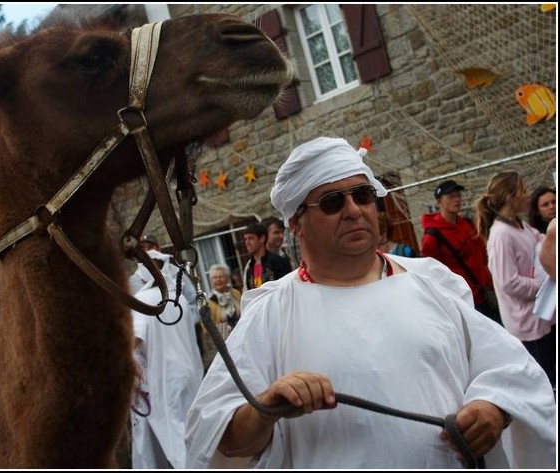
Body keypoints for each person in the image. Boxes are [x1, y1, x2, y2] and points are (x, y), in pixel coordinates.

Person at [185, 137, 555, 469]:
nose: (353, 210)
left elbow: (509, 371)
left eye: (363, 196)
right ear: (296, 223)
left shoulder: (431, 282)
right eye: (332, 202)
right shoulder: (271, 312)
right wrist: (265, 407)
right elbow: (221, 438)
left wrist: (491, 409)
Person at [475, 171, 555, 385]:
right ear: (511, 197)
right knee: (547, 382)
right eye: (523, 191)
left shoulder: (520, 224)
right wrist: (543, 285)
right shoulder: (500, 235)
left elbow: (540, 240)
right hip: (528, 324)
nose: (528, 195)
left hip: (543, 315)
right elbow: (507, 282)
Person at [130, 250, 203, 469]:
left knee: (170, 442)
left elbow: (134, 339)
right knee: (191, 436)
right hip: (188, 376)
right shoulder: (178, 298)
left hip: (160, 381)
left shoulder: (143, 301)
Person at [421, 179, 500, 324]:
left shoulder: (467, 224)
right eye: (451, 196)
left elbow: (482, 256)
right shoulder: (432, 237)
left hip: (487, 292)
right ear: (439, 201)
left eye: (458, 195)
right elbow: (433, 274)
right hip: (466, 301)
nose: (457, 200)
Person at [200, 264, 242, 371]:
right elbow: (206, 331)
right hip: (222, 347)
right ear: (211, 281)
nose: (218, 280)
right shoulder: (207, 302)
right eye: (214, 278)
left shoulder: (236, 294)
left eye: (221, 277)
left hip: (241, 342)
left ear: (227, 278)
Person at [242, 222, 292, 290]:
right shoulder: (249, 269)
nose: (247, 242)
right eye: (245, 239)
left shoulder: (278, 261)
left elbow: (288, 288)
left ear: (262, 238)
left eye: (251, 238)